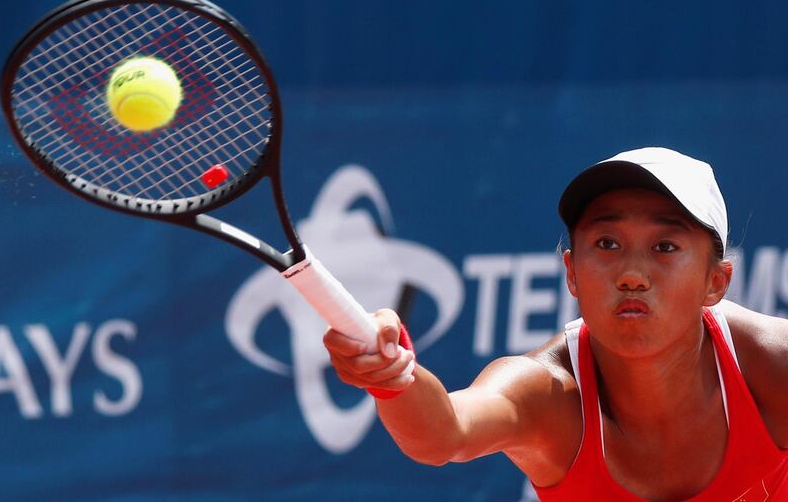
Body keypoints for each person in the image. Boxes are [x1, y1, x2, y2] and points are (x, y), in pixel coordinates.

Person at [323, 147, 788, 501]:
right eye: (607, 243)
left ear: (716, 282)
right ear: (571, 272)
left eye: (665, 247)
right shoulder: (546, 394)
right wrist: (391, 374)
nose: (631, 274)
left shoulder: (772, 365)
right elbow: (445, 432)